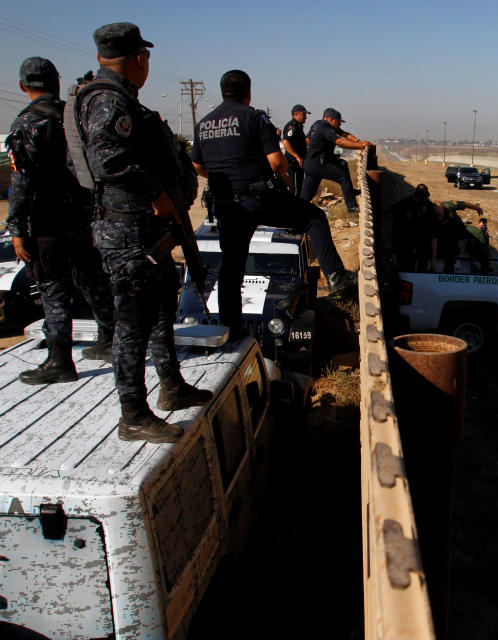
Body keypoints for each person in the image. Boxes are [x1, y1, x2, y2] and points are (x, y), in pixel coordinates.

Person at [75, 22, 212, 442]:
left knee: (158, 311)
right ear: (140, 59)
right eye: (146, 57)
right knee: (133, 320)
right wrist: (156, 192)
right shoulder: (107, 101)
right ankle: (133, 413)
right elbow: (107, 160)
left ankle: (171, 386)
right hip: (126, 232)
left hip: (142, 230)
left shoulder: (115, 98)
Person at [191, 70, 357, 338]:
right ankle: (336, 276)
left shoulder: (204, 124)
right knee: (313, 217)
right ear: (248, 92)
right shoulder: (254, 117)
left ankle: (230, 329)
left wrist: (223, 179)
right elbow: (276, 161)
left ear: (222, 92)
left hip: (226, 206)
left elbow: (198, 166)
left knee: (231, 266)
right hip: (258, 199)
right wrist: (282, 183)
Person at [6, 57, 115, 385]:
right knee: (91, 279)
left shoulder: (27, 123)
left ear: (24, 86)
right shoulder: (75, 116)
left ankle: (59, 360)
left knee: (53, 287)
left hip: (49, 223)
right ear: (56, 82)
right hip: (84, 218)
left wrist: (17, 229)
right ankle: (109, 339)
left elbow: (22, 182)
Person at [300, 108, 372, 213]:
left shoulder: (321, 125)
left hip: (311, 163)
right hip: (318, 163)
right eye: (338, 122)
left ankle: (296, 215)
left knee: (306, 196)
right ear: (331, 120)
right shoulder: (325, 128)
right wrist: (360, 145)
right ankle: (352, 207)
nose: (340, 124)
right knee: (342, 176)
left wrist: (356, 140)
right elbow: (340, 142)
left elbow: (344, 134)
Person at [427, 199, 483, 273]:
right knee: (449, 254)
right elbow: (434, 240)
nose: (438, 217)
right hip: (446, 235)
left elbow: (464, 203)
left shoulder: (450, 205)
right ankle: (448, 272)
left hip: (460, 229)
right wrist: (433, 265)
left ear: (443, 210)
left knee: (479, 234)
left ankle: (484, 266)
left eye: (440, 215)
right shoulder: (432, 218)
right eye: (436, 215)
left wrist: (477, 208)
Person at [282, 104, 309, 196]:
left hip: (299, 163)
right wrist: (297, 156)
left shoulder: (298, 126)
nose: (305, 117)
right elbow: (286, 142)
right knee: (295, 190)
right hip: (293, 163)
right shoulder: (292, 126)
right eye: (303, 114)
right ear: (296, 114)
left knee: (299, 189)